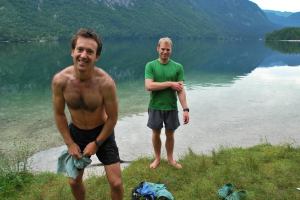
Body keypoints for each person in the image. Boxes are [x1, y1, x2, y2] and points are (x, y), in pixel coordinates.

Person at [52, 28, 124, 200]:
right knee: (74, 182)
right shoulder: (60, 80)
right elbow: (59, 114)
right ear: (72, 51)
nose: (83, 55)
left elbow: (113, 118)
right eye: (80, 49)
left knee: (116, 183)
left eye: (89, 51)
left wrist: (97, 143)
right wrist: (70, 143)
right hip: (76, 132)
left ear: (96, 56)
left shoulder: (106, 83)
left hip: (102, 132)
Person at [145, 37, 190, 169]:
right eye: (162, 49)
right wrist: (170, 83)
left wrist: (185, 109)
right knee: (156, 133)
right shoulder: (150, 65)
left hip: (171, 107)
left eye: (168, 49)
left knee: (170, 134)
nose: (165, 52)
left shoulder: (178, 67)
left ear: (171, 50)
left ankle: (170, 159)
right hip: (155, 106)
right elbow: (149, 86)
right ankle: (157, 158)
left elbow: (180, 91)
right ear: (157, 49)